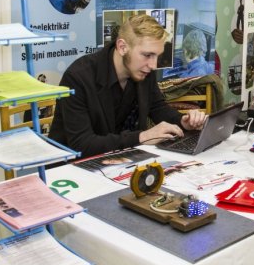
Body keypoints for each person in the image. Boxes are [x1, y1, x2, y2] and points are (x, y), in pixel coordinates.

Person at [48, 14, 207, 158]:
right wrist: (142, 137)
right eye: (147, 55)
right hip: (72, 168)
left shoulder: (143, 70)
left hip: (121, 159)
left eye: (157, 56)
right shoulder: (78, 77)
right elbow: (82, 144)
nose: (153, 65)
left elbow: (157, 108)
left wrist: (182, 121)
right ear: (122, 47)